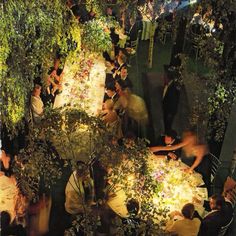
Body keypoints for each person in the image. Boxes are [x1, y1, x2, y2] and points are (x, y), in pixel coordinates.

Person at [162, 65, 180, 133]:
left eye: (164, 75)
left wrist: (170, 114)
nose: (163, 76)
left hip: (169, 112)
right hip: (166, 110)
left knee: (168, 124)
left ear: (167, 78)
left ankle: (168, 134)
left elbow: (173, 103)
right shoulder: (168, 85)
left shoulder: (172, 90)